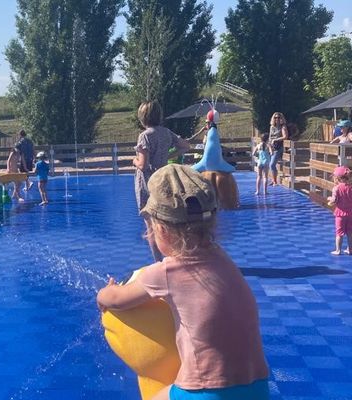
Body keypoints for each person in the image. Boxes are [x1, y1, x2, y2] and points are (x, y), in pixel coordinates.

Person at [97, 164, 269, 400]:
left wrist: (107, 291)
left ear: (161, 230)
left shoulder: (165, 273)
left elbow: (115, 301)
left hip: (206, 391)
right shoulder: (223, 258)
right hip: (258, 387)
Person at [133, 101, 190, 261]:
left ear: (142, 117)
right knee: (165, 221)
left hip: (147, 183)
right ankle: (174, 256)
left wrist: (134, 161)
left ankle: (158, 262)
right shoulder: (166, 133)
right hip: (164, 180)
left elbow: (143, 165)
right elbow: (185, 146)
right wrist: (167, 157)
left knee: (151, 225)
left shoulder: (145, 136)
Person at [327, 166, 352, 255]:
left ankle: (338, 250)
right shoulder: (350, 187)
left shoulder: (336, 188)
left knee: (339, 233)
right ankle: (350, 249)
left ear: (338, 178)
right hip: (350, 213)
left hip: (340, 214)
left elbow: (334, 200)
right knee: (350, 232)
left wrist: (330, 199)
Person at [268, 112, 289, 186]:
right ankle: (273, 180)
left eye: (278, 117)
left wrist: (276, 139)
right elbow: (270, 138)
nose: (277, 119)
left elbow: (285, 136)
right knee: (270, 164)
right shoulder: (272, 127)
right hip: (272, 147)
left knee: (272, 164)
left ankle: (275, 181)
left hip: (278, 147)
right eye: (275, 117)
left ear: (281, 119)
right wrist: (269, 146)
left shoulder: (283, 127)